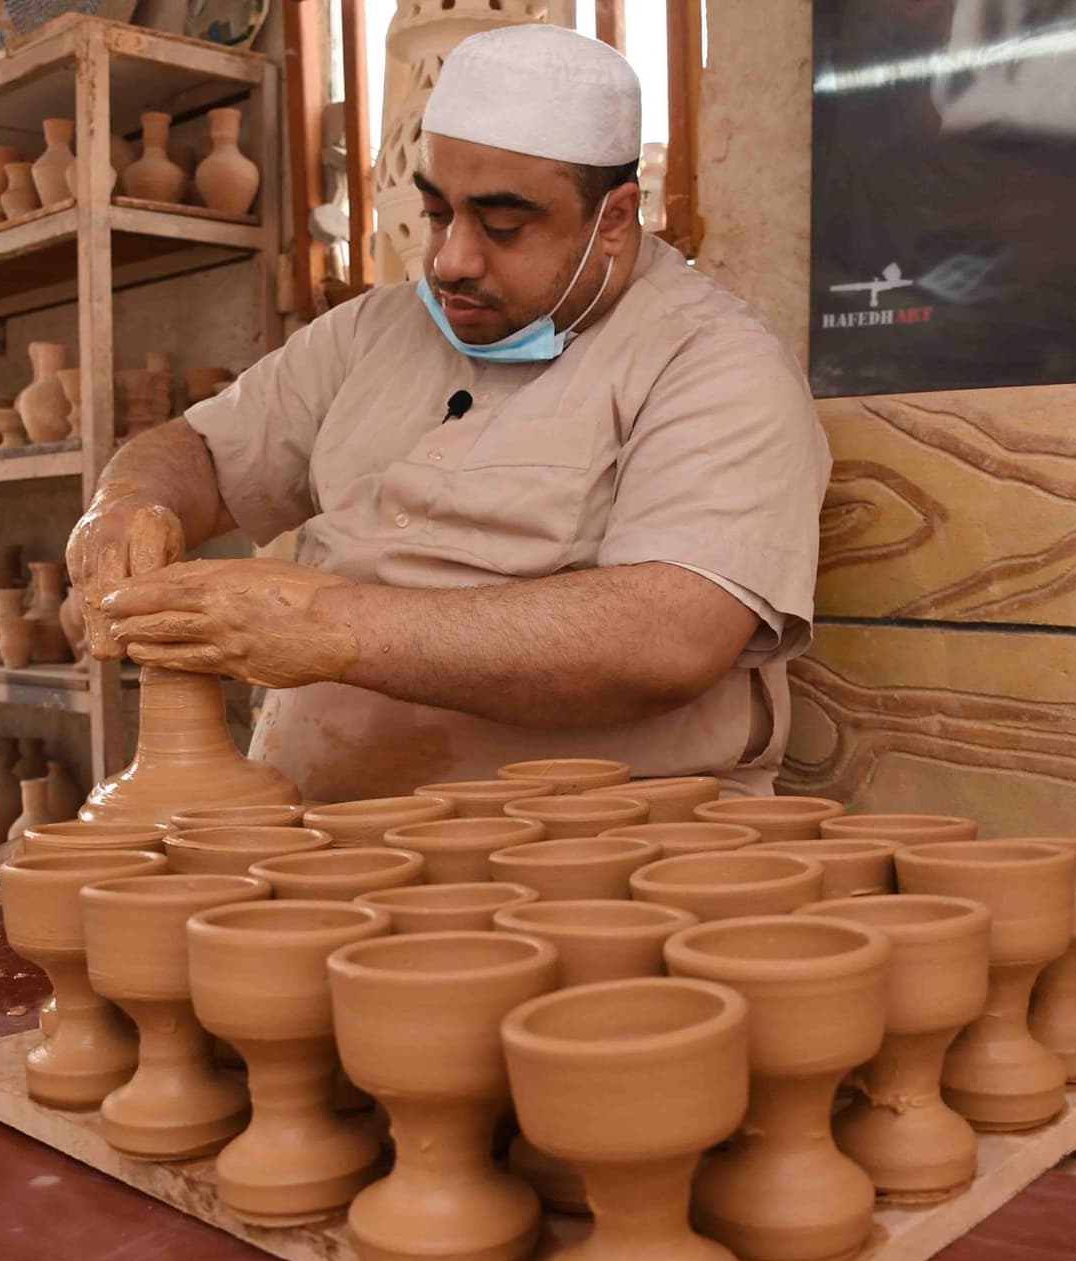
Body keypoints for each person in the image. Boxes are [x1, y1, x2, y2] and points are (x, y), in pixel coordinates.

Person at [70, 24, 830, 802]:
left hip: (601, 850)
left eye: (502, 226)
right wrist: (128, 504)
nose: (450, 261)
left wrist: (327, 626)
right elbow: (197, 449)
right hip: (329, 828)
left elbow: (667, 638)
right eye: (438, 214)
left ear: (614, 217)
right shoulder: (377, 328)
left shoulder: (713, 362)